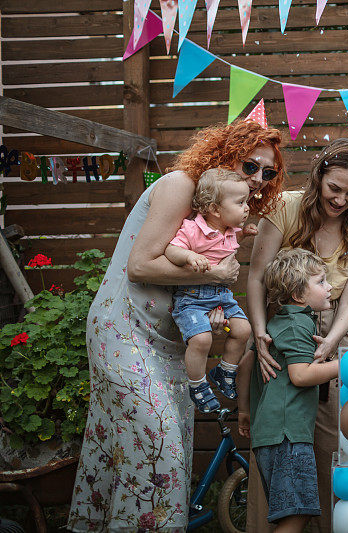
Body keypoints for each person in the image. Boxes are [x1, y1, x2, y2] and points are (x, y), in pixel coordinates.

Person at [67, 117, 285, 531]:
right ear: (224, 154)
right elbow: (140, 265)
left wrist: (211, 321)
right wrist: (215, 276)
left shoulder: (225, 213)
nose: (259, 178)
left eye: (269, 172)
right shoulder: (182, 185)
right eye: (250, 165)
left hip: (169, 341)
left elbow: (192, 291)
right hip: (124, 328)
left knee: (141, 448)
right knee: (159, 442)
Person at [244, 138, 348, 532]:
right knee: (282, 430)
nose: (341, 199)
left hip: (333, 330)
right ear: (318, 177)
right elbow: (256, 277)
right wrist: (259, 335)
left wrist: (332, 343)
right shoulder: (283, 206)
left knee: (334, 436)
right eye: (334, 188)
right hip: (279, 328)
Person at [238, 248, 339, 533]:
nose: (329, 286)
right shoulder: (298, 325)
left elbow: (247, 363)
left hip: (271, 431)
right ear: (297, 294)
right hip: (287, 435)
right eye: (320, 282)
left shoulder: (280, 322)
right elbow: (300, 375)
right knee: (296, 516)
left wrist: (245, 410)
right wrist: (345, 364)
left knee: (291, 514)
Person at [166, 167, 260, 412]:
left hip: (221, 296)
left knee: (243, 329)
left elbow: (224, 249)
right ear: (215, 209)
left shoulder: (229, 231)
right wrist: (188, 256)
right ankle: (197, 385)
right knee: (201, 339)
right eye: (240, 202)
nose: (247, 207)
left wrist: (244, 237)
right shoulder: (192, 229)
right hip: (192, 298)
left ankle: (224, 371)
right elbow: (171, 250)